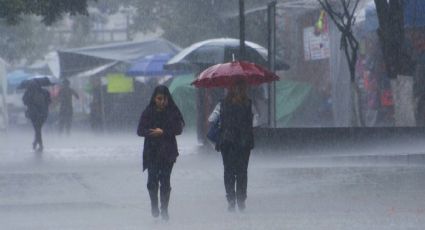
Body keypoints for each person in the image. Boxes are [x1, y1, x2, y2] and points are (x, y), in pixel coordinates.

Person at [137, 85, 185, 220]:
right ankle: (154, 205)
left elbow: (178, 129)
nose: (162, 102)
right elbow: (140, 130)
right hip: (151, 152)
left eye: (164, 99)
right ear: (154, 98)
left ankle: (164, 209)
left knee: (165, 181)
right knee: (152, 181)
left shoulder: (172, 112)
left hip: (168, 152)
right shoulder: (148, 112)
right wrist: (152, 133)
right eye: (159, 99)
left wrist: (164, 132)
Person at [215, 80, 254, 212]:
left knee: (237, 172)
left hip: (238, 142)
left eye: (239, 87)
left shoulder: (246, 103)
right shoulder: (226, 104)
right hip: (232, 142)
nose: (237, 90)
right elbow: (213, 119)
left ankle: (238, 199)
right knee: (233, 172)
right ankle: (233, 199)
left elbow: (254, 121)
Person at [22, 80, 51, 152]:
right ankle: (37, 143)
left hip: (34, 114)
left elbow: (24, 102)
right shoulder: (45, 92)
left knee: (37, 129)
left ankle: (39, 143)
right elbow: (49, 101)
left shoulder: (28, 92)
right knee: (38, 129)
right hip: (42, 113)